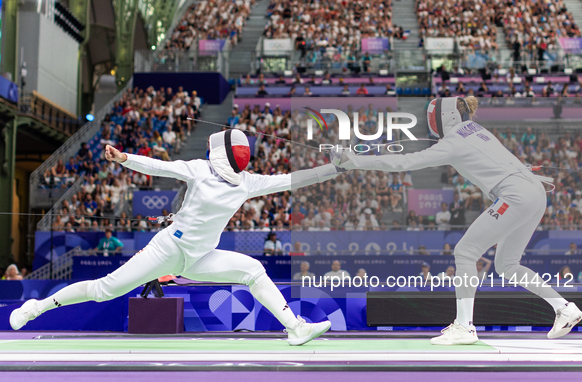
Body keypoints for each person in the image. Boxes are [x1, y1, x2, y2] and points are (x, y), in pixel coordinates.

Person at [10, 129, 339, 346]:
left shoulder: (247, 182)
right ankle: (36, 307)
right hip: (167, 250)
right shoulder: (199, 169)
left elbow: (292, 179)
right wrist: (126, 159)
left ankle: (295, 328)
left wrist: (333, 169)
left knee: (253, 270)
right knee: (104, 290)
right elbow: (159, 167)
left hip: (201, 257)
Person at [332, 96, 582, 345]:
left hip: (515, 195)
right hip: (535, 193)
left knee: (465, 252)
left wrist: (354, 161)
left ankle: (464, 326)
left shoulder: (453, 141)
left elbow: (405, 162)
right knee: (507, 265)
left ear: (443, 118)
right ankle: (564, 307)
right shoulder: (477, 129)